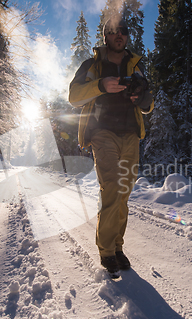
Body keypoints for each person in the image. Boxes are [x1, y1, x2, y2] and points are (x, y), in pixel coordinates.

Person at [68, 15, 154, 275]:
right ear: (105, 36)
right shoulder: (92, 65)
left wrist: (140, 98)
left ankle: (117, 247)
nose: (120, 35)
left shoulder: (134, 67)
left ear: (127, 36)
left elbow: (148, 105)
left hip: (130, 134)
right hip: (102, 132)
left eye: (124, 31)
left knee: (124, 193)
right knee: (113, 187)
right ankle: (106, 252)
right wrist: (101, 85)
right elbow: (73, 96)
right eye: (114, 31)